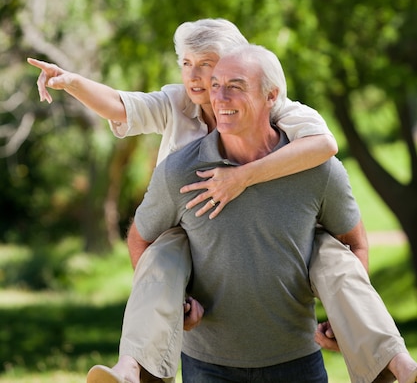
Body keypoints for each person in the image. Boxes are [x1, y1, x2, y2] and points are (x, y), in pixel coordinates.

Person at [27, 20, 417, 383]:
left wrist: (241, 177)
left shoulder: (281, 111)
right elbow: (122, 105)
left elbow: (326, 146)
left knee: (333, 256)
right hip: (183, 232)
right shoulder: (177, 104)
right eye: (187, 64)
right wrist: (71, 81)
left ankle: (395, 363)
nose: (198, 78)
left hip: (292, 336)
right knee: (161, 257)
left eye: (209, 67)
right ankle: (132, 367)